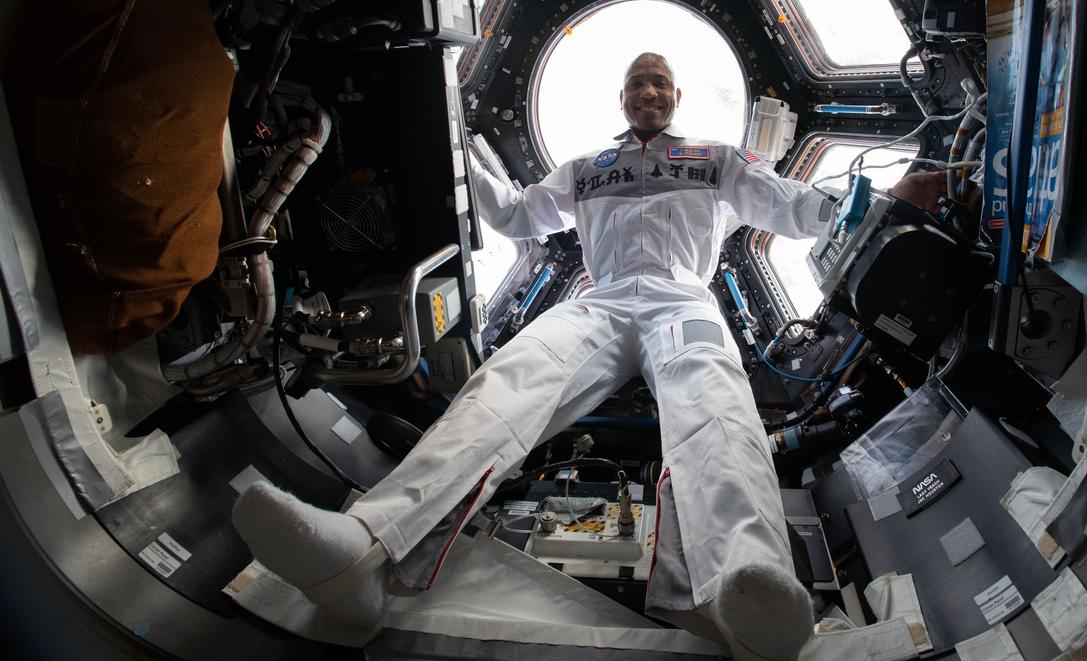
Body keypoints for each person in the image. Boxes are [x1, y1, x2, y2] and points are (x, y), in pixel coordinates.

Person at [232, 52, 947, 660]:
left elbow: (794, 206)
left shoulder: (713, 160)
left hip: (682, 299)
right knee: (506, 381)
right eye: (639, 82)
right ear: (624, 97)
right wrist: (453, 142)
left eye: (661, 82)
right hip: (599, 300)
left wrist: (885, 202)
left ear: (676, 96)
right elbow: (515, 214)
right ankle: (366, 549)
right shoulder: (587, 168)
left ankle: (747, 578)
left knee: (717, 407)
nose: (650, 92)